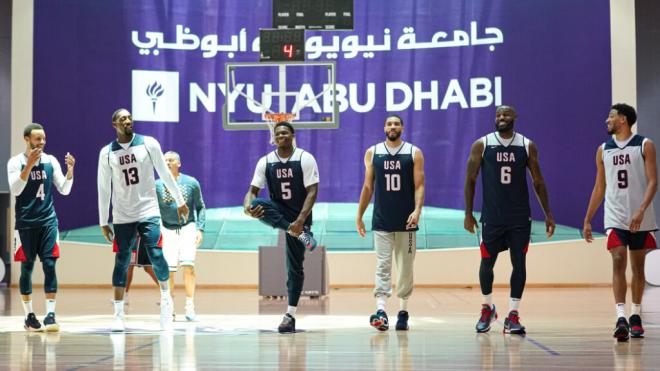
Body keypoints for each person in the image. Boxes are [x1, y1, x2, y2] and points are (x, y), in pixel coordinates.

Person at [464, 105, 554, 335]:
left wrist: (548, 214)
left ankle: (513, 314)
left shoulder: (526, 145)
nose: (501, 117)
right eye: (498, 115)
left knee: (519, 263)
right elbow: (470, 179)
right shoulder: (482, 144)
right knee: (486, 262)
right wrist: (467, 213)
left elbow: (538, 181)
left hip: (519, 216)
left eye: (506, 114)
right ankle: (487, 308)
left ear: (515, 117)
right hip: (492, 217)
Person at [97, 108, 189, 331]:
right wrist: (103, 220)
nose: (127, 121)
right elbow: (103, 187)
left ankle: (166, 303)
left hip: (148, 210)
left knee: (156, 255)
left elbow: (165, 174)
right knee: (122, 260)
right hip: (122, 215)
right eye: (122, 119)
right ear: (114, 125)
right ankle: (118, 314)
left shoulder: (149, 143)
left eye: (129, 117)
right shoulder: (107, 152)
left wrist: (179, 200)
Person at [583, 103, 657, 341]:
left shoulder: (645, 145)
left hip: (641, 218)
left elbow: (653, 181)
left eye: (611, 117)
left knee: (638, 268)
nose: (607, 120)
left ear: (623, 120)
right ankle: (620, 317)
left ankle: (636, 315)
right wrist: (587, 219)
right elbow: (599, 187)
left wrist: (642, 209)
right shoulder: (603, 149)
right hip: (614, 216)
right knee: (617, 260)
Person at [243, 121, 319, 333]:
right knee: (257, 204)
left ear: (292, 135)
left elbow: (313, 191)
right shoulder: (266, 161)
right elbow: (252, 191)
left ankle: (290, 315)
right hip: (281, 214)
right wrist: (247, 207)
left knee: (294, 268)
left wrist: (301, 220)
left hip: (301, 217)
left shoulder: (305, 158)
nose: (282, 136)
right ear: (274, 138)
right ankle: (298, 233)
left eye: (285, 132)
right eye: (278, 134)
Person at [356, 114, 425, 332]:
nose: (392, 127)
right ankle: (381, 310)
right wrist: (359, 215)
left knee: (405, 268)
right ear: (384, 128)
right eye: (389, 124)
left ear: (402, 128)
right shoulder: (373, 152)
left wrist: (417, 210)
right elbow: (368, 187)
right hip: (382, 219)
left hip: (407, 220)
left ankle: (403, 311)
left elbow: (419, 185)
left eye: (396, 124)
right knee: (383, 265)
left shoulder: (414, 152)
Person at [7, 123, 75, 332]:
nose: (42, 142)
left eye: (44, 138)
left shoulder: (50, 161)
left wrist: (70, 172)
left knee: (50, 265)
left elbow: (64, 190)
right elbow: (16, 190)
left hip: (48, 222)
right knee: (27, 268)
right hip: (26, 224)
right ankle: (29, 315)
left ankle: (51, 315)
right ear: (27, 139)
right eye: (38, 139)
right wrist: (28, 166)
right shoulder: (15, 162)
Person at [156, 151, 206, 321]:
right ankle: (169, 306)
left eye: (170, 160)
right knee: (168, 270)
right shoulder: (156, 185)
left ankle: (190, 305)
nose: (167, 163)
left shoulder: (191, 183)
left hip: (187, 227)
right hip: (167, 229)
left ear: (179, 163)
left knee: (188, 266)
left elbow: (200, 207)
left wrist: (200, 229)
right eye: (165, 161)